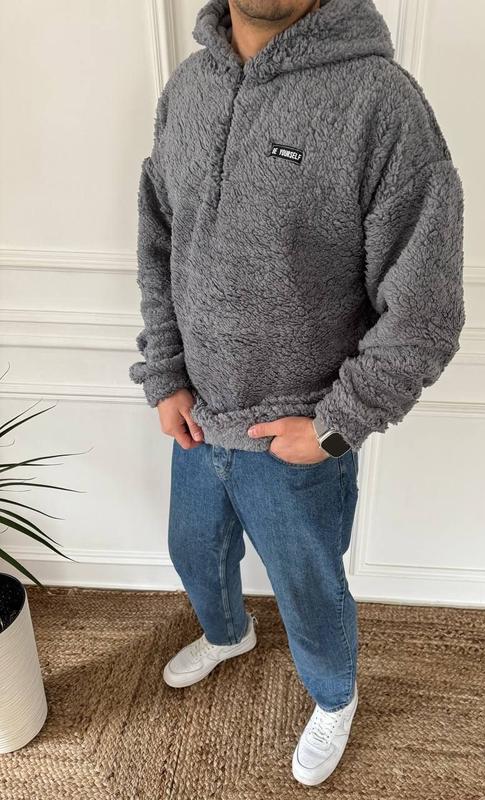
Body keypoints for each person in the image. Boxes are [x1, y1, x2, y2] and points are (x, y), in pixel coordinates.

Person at [129, 0, 465, 786]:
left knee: (310, 590)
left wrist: (335, 427)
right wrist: (166, 373)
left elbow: (425, 313)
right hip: (196, 418)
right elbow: (158, 241)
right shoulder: (188, 89)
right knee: (194, 551)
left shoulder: (381, 104)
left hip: (297, 437)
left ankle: (335, 696)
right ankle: (228, 634)